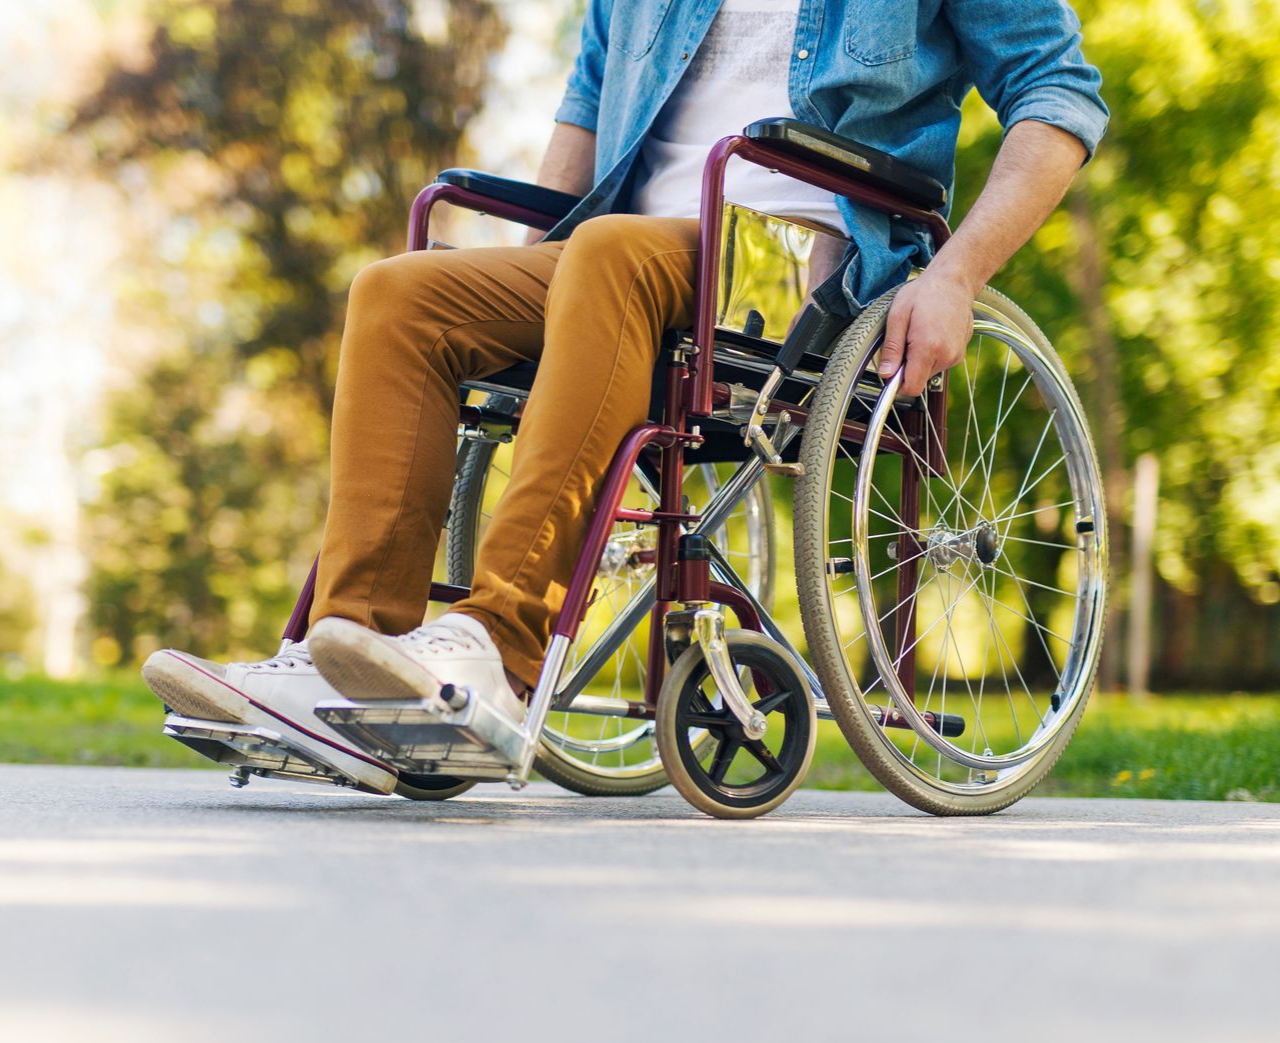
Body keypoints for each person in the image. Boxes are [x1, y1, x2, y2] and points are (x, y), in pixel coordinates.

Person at [142, 0, 1108, 791]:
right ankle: (350, 651)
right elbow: (584, 120)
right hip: (619, 259)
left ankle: (496, 643)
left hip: (803, 270)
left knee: (608, 254)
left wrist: (957, 274)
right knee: (399, 295)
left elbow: (1059, 95)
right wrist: (528, 299)